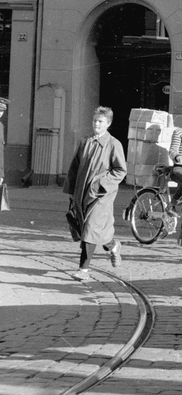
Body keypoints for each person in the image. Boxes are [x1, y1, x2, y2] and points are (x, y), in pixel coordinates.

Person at [64, 106, 127, 279]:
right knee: (91, 229)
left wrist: (101, 184)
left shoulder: (113, 144)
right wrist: (70, 190)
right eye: (94, 120)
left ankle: (83, 270)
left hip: (101, 195)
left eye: (100, 121)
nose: (96, 124)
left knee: (91, 228)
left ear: (109, 123)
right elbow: (74, 167)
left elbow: (120, 171)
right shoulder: (85, 142)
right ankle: (113, 246)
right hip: (82, 193)